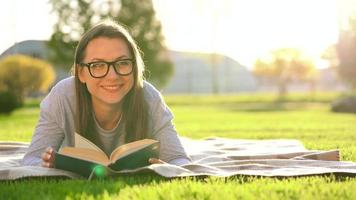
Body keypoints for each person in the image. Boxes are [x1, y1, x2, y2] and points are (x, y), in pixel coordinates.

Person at [22, 20, 191, 168]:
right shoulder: (62, 97)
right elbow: (32, 159)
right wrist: (46, 165)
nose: (112, 76)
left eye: (123, 63)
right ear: (81, 73)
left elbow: (179, 159)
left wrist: (167, 168)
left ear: (134, 67)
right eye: (97, 65)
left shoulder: (150, 98)